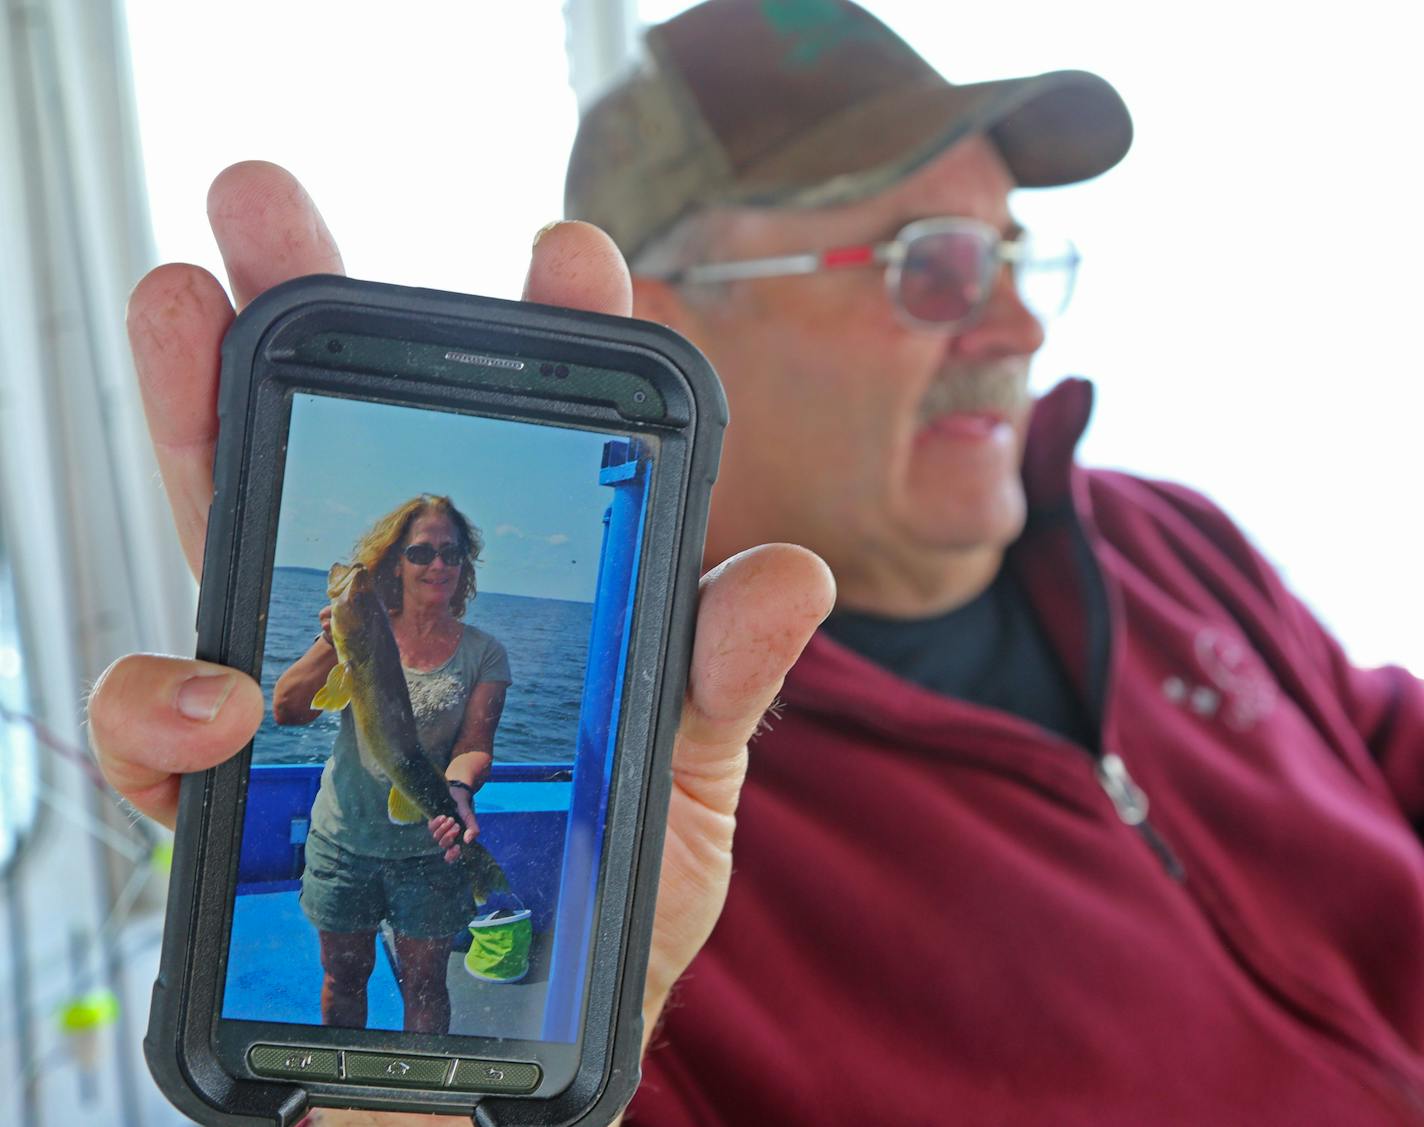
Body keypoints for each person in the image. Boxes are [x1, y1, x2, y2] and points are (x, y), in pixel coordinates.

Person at [87, 0, 1424, 1124]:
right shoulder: (646, 849)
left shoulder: (1163, 536)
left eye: (1011, 251)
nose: (1015, 317)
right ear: (670, 325)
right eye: (934, 264)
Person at [269, 494, 514, 1034]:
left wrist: (457, 790)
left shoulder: (485, 653)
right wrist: (334, 642)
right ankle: (341, 1089)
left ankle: (422, 1099)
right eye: (421, 552)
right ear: (395, 561)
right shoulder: (358, 632)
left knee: (427, 984)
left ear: (465, 565)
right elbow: (288, 710)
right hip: (344, 840)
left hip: (429, 850)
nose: (438, 565)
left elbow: (475, 743)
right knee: (344, 976)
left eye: (451, 554)